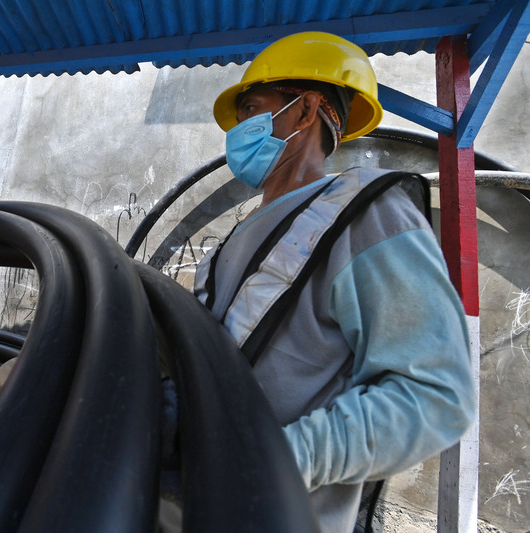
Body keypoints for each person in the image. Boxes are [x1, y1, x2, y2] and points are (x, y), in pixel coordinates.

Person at [191, 32, 476, 532]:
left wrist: (276, 460)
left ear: (306, 112)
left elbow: (435, 394)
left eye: (252, 109)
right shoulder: (229, 245)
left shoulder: (368, 215)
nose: (239, 130)